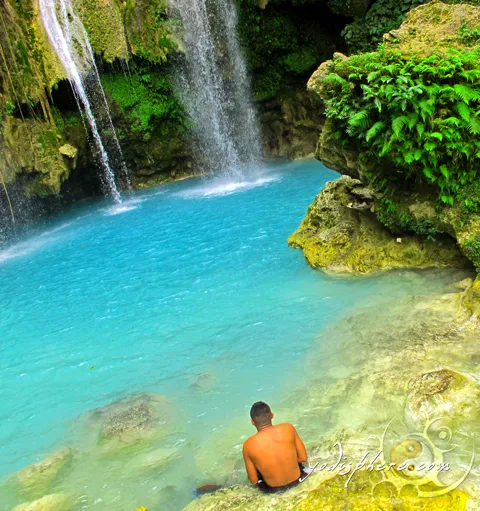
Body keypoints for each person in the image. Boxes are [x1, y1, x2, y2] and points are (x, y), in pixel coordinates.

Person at [242, 401, 309, 493]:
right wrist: (289, 461)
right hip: (298, 479)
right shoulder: (288, 428)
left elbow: (253, 480)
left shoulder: (248, 445)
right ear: (272, 415)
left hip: (274, 490)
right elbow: (303, 458)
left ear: (252, 422)